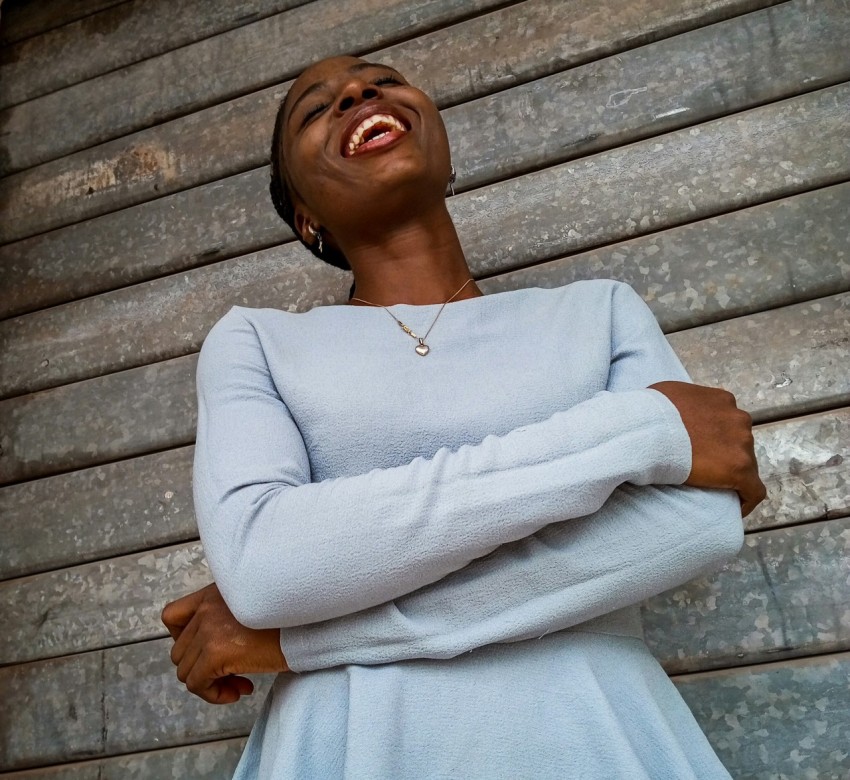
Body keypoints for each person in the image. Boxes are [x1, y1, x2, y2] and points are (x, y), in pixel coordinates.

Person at [162, 55, 766, 778]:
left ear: (444, 150)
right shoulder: (257, 341)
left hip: (594, 737)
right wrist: (638, 434)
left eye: (381, 81)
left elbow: (693, 528)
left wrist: (300, 642)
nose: (359, 93)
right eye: (316, 109)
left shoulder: (598, 311)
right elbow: (266, 567)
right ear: (304, 217)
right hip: (351, 746)